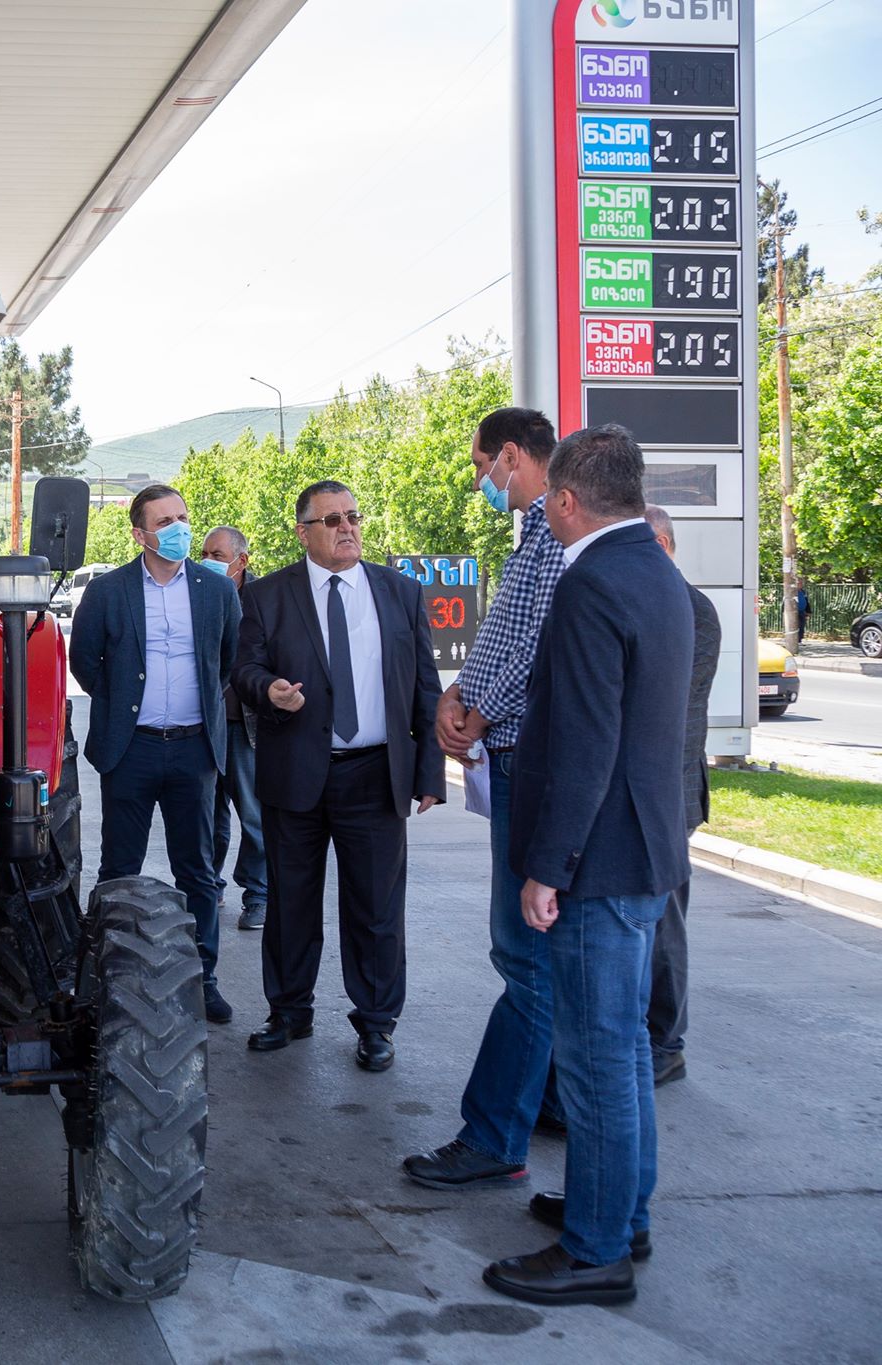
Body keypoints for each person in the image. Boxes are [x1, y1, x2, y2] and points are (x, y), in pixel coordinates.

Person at [482, 424, 692, 1308]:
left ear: (566, 500)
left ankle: (596, 1249)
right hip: (643, 852)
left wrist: (549, 867)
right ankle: (621, 1210)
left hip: (596, 861)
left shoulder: (589, 582)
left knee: (597, 1056)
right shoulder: (656, 569)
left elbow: (582, 742)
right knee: (627, 1049)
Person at [403, 407, 568, 1190]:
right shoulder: (534, 534)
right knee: (534, 952)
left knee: (524, 953)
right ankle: (545, 1099)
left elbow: (536, 647)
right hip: (510, 750)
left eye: (480, 467)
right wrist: (458, 693)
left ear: (510, 455)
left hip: (530, 760)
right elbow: (504, 636)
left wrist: (474, 710)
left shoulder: (559, 535)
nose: (480, 483)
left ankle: (497, 1132)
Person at [231, 481, 444, 1071]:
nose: (347, 527)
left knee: (376, 908)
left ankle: (376, 1024)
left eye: (352, 516)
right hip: (297, 772)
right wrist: (268, 690)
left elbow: (424, 686)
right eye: (331, 520)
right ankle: (288, 1011)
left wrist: (429, 770)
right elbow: (243, 669)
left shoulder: (400, 591)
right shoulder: (268, 596)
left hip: (375, 774)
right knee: (291, 904)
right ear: (304, 532)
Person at [71, 486, 242, 1024]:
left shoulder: (217, 591)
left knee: (199, 871)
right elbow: (85, 662)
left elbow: (226, 662)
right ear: (139, 534)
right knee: (119, 868)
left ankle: (203, 978)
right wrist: (125, 705)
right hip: (132, 750)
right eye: (165, 521)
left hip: (195, 751)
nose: (178, 529)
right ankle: (107, 977)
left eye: (182, 517)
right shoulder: (108, 591)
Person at [641, 503, 717, 1087]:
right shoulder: (657, 600)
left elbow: (670, 715)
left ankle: (666, 1044)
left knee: (664, 925)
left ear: (662, 545)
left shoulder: (689, 609)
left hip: (667, 793)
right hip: (652, 791)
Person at [201, 525, 267, 932]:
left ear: (241, 561)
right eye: (204, 553)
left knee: (254, 817)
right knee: (208, 817)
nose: (208, 561)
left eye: (218, 555)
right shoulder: (198, 594)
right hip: (204, 726)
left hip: (246, 727)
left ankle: (258, 895)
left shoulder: (264, 600)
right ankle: (208, 886)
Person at [795, 580, 810, 647]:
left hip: (802, 611)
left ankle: (799, 640)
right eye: (799, 583)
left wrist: (808, 611)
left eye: (801, 583)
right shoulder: (792, 592)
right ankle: (794, 640)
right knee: (796, 626)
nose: (800, 584)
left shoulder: (803, 592)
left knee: (802, 626)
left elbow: (806, 601)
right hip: (794, 612)